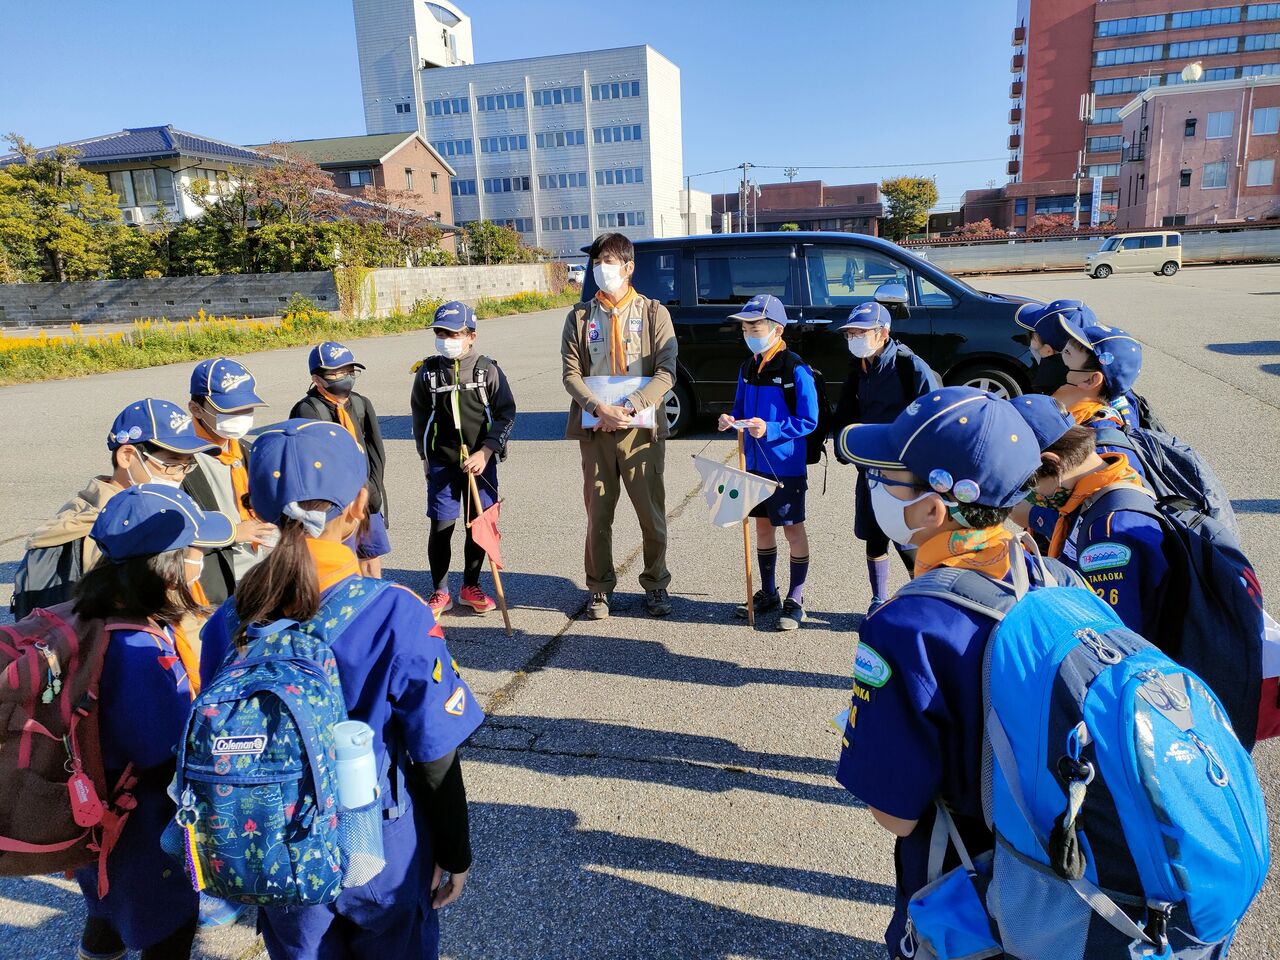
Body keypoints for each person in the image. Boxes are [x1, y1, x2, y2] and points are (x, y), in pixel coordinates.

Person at [199, 419, 482, 960]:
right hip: (378, 848)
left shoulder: (228, 620)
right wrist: (455, 852)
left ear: (256, 509)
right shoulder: (395, 612)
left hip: (277, 847)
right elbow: (435, 756)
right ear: (358, 504)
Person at [833, 386, 1068, 959]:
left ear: (933, 509)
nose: (877, 485)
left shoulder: (907, 626)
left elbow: (894, 815)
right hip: (1064, 879)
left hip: (969, 888)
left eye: (888, 478)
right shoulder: (1052, 574)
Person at [73, 485, 236, 960]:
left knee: (106, 907)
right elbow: (162, 750)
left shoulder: (94, 614)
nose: (199, 561)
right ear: (166, 567)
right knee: (168, 927)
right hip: (143, 831)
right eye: (193, 551)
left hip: (97, 819)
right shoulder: (139, 649)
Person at [561, 232, 678, 620]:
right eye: (596, 263)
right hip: (596, 429)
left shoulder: (654, 313)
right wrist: (599, 408)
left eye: (608, 262)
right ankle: (599, 587)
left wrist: (628, 407)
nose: (601, 269)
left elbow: (666, 372)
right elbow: (571, 374)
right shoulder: (580, 317)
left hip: (641, 430)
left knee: (651, 513)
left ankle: (656, 582)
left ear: (628, 267)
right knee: (598, 514)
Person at [12, 399, 217, 619]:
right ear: (127, 456)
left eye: (188, 465)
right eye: (171, 465)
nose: (179, 476)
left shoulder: (106, 506)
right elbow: (141, 609)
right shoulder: (114, 526)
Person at [1014, 392, 1167, 639]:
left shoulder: (1109, 531)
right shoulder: (1095, 489)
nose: (1031, 493)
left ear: (1051, 463)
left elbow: (1112, 637)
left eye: (1026, 482)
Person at [717, 294, 818, 631]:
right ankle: (768, 592)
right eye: (745, 329)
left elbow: (809, 420)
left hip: (785, 465)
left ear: (777, 329)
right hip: (754, 463)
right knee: (762, 527)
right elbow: (740, 407)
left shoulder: (795, 369)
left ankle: (796, 598)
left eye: (755, 328)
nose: (749, 334)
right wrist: (731, 419)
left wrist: (771, 429)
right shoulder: (748, 367)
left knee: (792, 529)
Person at [831, 301, 939, 615]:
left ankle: (923, 600)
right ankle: (878, 599)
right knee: (874, 534)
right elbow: (846, 415)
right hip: (869, 468)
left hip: (904, 471)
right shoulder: (858, 369)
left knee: (908, 536)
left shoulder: (909, 366)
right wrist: (844, 448)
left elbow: (933, 416)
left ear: (883, 333)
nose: (855, 338)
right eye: (851, 333)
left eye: (861, 332)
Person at [410, 301, 516, 615]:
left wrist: (486, 451)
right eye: (440, 333)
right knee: (441, 525)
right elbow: (420, 417)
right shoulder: (428, 373)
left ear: (471, 336)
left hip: (480, 463)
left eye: (453, 333)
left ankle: (471, 586)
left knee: (477, 526)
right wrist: (424, 456)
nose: (446, 339)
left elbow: (506, 414)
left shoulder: (488, 370)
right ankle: (440, 591)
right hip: (442, 462)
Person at [291, 340, 391, 578]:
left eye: (349, 371)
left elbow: (376, 451)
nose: (344, 378)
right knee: (341, 559)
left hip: (366, 493)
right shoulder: (308, 410)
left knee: (371, 557)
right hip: (335, 502)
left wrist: (372, 488)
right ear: (317, 379)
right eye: (336, 373)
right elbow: (312, 464)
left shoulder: (360, 403)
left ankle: (372, 597)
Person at [184, 357, 276, 604]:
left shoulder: (248, 449)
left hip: (263, 568)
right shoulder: (180, 462)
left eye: (247, 409)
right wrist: (231, 532)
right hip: (218, 580)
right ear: (196, 409)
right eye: (229, 410)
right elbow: (174, 529)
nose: (240, 416)